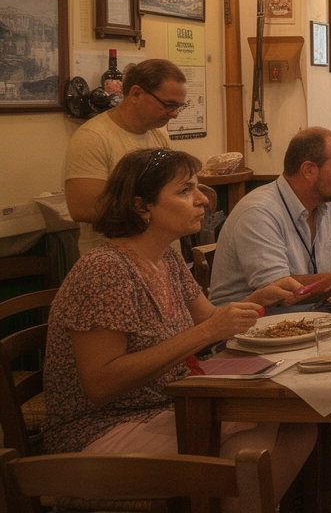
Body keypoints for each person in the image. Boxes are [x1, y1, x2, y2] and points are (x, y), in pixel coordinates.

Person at [43, 148, 317, 496]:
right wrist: (207, 332)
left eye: (198, 188)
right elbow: (100, 384)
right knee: (250, 448)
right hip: (98, 432)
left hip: (168, 406)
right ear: (142, 206)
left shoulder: (167, 259)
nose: (202, 199)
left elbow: (211, 320)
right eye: (186, 190)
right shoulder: (105, 270)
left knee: (298, 422)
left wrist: (257, 298)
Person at [211, 128, 331, 307]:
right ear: (309, 170)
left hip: (312, 320)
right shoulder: (259, 212)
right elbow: (280, 292)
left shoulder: (330, 205)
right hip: (249, 332)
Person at [64, 59, 185, 253]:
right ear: (136, 94)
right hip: (113, 262)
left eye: (179, 106)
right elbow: (83, 208)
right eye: (168, 105)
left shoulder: (159, 133)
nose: (175, 114)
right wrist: (155, 208)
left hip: (158, 256)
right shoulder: (93, 137)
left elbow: (168, 186)